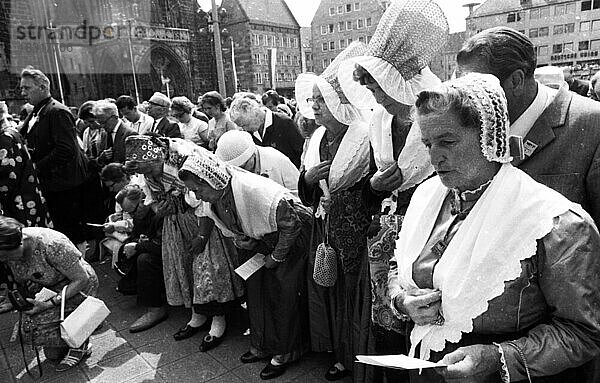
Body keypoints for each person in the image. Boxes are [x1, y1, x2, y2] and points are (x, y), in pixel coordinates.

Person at [388, 72, 600, 382]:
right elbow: (400, 265)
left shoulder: (552, 222)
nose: (434, 157)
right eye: (427, 143)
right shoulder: (427, 196)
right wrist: (403, 302)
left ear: (489, 137)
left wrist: (499, 359)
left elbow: (582, 331)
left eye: (447, 141)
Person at [337, 2, 448, 381]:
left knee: (426, 324)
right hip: (385, 235)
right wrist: (372, 186)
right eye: (369, 88)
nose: (375, 97)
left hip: (431, 233)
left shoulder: (439, 114)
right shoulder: (380, 120)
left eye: (378, 87)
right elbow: (367, 184)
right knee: (387, 325)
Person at [178, 152, 312, 380]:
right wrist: (246, 240)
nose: (196, 195)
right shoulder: (215, 198)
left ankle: (285, 353)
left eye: (198, 190)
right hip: (262, 242)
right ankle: (262, 345)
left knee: (282, 296)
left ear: (210, 180)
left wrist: (277, 256)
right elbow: (237, 225)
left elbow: (292, 225)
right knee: (256, 292)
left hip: (289, 241)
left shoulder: (253, 190)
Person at [455, 27, 600, 229]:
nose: (469, 101)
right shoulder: (475, 127)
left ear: (516, 80)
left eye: (479, 89)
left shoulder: (592, 124)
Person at [295, 41, 376, 382]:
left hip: (354, 228)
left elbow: (371, 183)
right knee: (330, 290)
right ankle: (335, 348)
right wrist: (308, 180)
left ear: (339, 103)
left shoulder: (363, 136)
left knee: (351, 294)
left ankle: (351, 355)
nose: (314, 107)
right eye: (312, 100)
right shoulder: (317, 138)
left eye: (321, 100)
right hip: (326, 225)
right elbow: (307, 181)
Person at [124, 135, 243, 349]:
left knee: (208, 268)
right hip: (176, 222)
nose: (150, 175)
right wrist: (159, 208)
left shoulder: (186, 158)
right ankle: (198, 315)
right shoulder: (149, 170)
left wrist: (202, 236)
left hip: (202, 222)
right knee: (185, 265)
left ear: (159, 158)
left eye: (150, 170)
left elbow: (205, 202)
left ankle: (218, 319)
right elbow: (153, 198)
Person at [0, 216, 99, 371]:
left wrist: (49, 304)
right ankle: (75, 326)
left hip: (77, 285)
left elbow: (81, 279)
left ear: (18, 242)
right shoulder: (10, 250)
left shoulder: (52, 245)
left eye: (5, 256)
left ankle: (82, 338)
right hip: (48, 286)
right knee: (38, 340)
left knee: (43, 332)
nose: (3, 259)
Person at [19, 67, 88, 252]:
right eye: (22, 88)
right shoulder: (37, 112)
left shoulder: (57, 111)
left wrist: (35, 167)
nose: (22, 92)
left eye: (27, 88)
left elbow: (66, 150)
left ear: (42, 87)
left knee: (70, 229)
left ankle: (80, 268)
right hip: (52, 183)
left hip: (64, 183)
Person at [114, 185, 168, 333]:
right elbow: (139, 235)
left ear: (143, 200)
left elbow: (163, 246)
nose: (132, 215)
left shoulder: (157, 212)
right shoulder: (139, 214)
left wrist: (138, 246)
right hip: (154, 247)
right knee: (126, 250)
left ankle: (155, 308)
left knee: (144, 260)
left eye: (133, 210)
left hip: (168, 253)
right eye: (128, 212)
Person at [0, 104, 52, 227]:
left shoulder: (5, 138)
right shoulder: (10, 134)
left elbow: (8, 175)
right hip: (25, 197)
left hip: (20, 202)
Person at [215, 130, 299, 194]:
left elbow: (297, 192)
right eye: (236, 169)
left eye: (243, 167)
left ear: (253, 154)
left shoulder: (278, 160)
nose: (240, 171)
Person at [229, 97, 304, 168]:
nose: (244, 129)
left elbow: (301, 153)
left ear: (254, 113)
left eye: (245, 125)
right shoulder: (249, 134)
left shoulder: (285, 123)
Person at [92, 100, 137, 165]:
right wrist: (101, 158)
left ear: (115, 117)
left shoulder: (130, 134)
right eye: (99, 123)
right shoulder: (103, 133)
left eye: (104, 122)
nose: (102, 126)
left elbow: (133, 164)